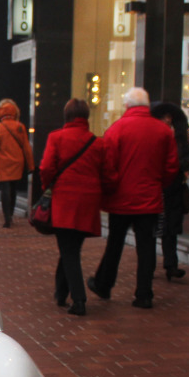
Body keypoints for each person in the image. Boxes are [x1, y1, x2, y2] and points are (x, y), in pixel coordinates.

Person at [88, 87, 179, 309]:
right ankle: (144, 294)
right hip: (149, 199)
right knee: (147, 247)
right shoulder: (163, 131)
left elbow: (107, 167)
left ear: (127, 106)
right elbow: (171, 167)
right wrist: (158, 184)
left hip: (121, 200)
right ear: (147, 106)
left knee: (115, 244)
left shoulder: (116, 130)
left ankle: (104, 284)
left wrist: (110, 189)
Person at [41, 99, 118, 317]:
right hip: (88, 203)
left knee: (69, 250)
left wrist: (48, 188)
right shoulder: (98, 142)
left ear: (66, 116)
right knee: (71, 248)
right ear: (86, 117)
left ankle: (79, 299)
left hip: (64, 201)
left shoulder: (56, 137)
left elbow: (46, 168)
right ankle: (61, 292)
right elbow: (109, 176)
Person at [151, 102, 189, 281]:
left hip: (172, 186)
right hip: (159, 185)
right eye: (165, 118)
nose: (168, 121)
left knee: (170, 226)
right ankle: (152, 265)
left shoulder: (180, 136)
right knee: (156, 226)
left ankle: (171, 264)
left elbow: (187, 160)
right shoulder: (157, 134)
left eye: (170, 118)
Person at [0, 98, 33, 228]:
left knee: (4, 189)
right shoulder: (20, 127)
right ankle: (11, 214)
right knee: (13, 189)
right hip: (18, 162)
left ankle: (7, 217)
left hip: (2, 163)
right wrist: (31, 165)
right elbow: (26, 147)